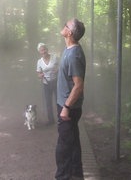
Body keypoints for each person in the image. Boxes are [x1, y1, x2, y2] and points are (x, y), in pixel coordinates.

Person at [55, 18, 86, 180]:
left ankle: (62, 177)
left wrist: (66, 107)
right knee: (72, 142)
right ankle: (76, 174)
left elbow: (78, 85)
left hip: (68, 107)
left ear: (70, 33)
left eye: (66, 25)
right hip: (65, 104)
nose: (63, 26)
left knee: (64, 147)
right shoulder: (69, 49)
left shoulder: (74, 55)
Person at [36, 42, 59, 125]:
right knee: (48, 102)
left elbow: (60, 66)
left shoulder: (54, 57)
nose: (44, 51)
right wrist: (40, 75)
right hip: (46, 84)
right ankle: (51, 120)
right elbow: (38, 73)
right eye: (42, 50)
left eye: (45, 49)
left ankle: (61, 119)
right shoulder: (39, 62)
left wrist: (57, 70)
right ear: (39, 52)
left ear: (47, 49)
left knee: (58, 101)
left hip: (56, 82)